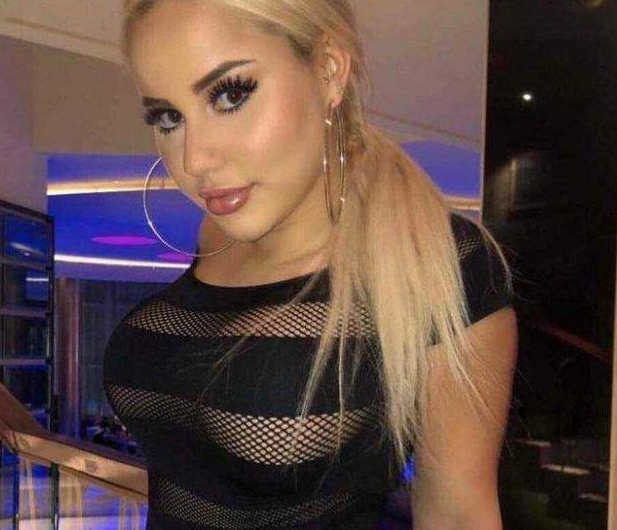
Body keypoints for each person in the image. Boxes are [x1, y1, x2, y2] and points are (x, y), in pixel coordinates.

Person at [103, 1, 519, 528]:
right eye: (168, 117)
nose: (194, 159)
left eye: (230, 95)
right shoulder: (217, 233)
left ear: (329, 70)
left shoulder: (439, 261)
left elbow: (459, 514)